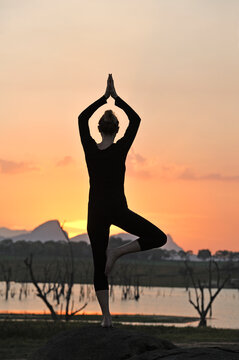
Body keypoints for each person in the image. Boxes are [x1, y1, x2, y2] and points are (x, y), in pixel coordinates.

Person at [78, 74, 167, 328]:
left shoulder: (90, 149)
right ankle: (117, 252)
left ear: (99, 129)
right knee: (158, 237)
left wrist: (102, 98)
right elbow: (136, 120)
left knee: (98, 264)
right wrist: (116, 99)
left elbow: (81, 118)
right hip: (118, 209)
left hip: (95, 212)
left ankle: (106, 318)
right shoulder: (120, 149)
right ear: (116, 131)